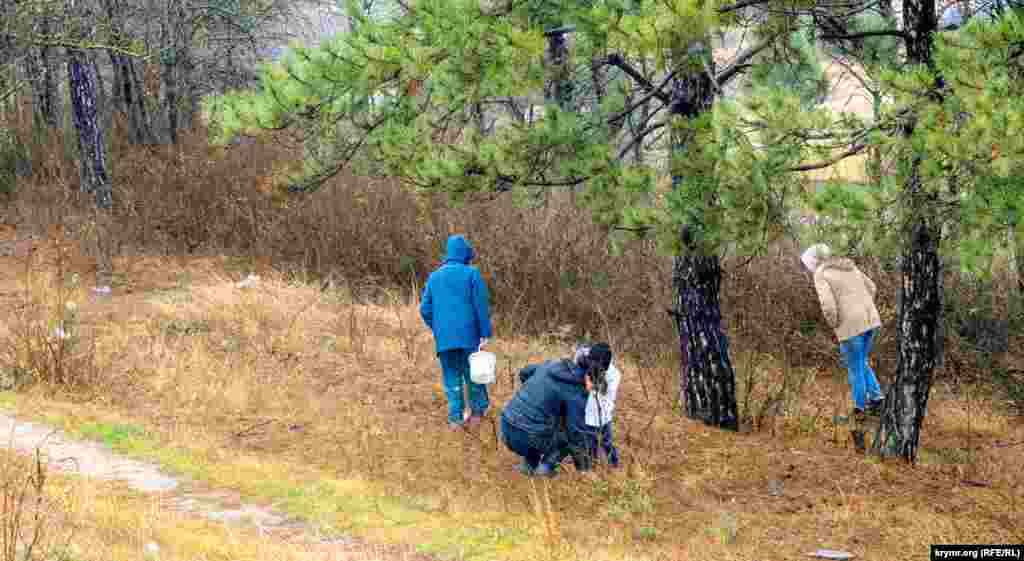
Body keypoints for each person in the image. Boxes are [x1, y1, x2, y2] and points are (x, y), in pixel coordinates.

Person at [500, 344, 612, 477]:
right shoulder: (577, 391)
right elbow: (576, 434)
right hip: (529, 435)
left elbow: (525, 371)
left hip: (506, 425)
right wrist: (585, 469)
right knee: (565, 431)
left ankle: (528, 466)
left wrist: (534, 394)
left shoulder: (553, 365)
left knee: (544, 418)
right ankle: (545, 468)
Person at [802, 244, 884, 421]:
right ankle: (877, 401)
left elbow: (828, 306)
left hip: (850, 326)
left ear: (814, 262)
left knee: (855, 368)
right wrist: (862, 307)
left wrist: (835, 324)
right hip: (870, 321)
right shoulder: (848, 266)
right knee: (861, 362)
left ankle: (860, 411)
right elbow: (872, 287)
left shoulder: (821, 274)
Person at [420, 235, 493, 431]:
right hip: (470, 337)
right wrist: (485, 333)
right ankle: (477, 415)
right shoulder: (472, 274)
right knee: (474, 375)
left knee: (451, 377)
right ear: (466, 254)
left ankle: (456, 420)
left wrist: (439, 328)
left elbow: (424, 309)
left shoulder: (434, 277)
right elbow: (481, 306)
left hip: (445, 339)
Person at [540, 343, 621, 472]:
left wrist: (590, 384)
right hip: (586, 415)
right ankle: (592, 466)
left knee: (606, 443)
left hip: (602, 415)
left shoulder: (613, 375)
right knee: (590, 445)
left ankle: (614, 466)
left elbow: (600, 393)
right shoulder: (587, 356)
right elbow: (579, 355)